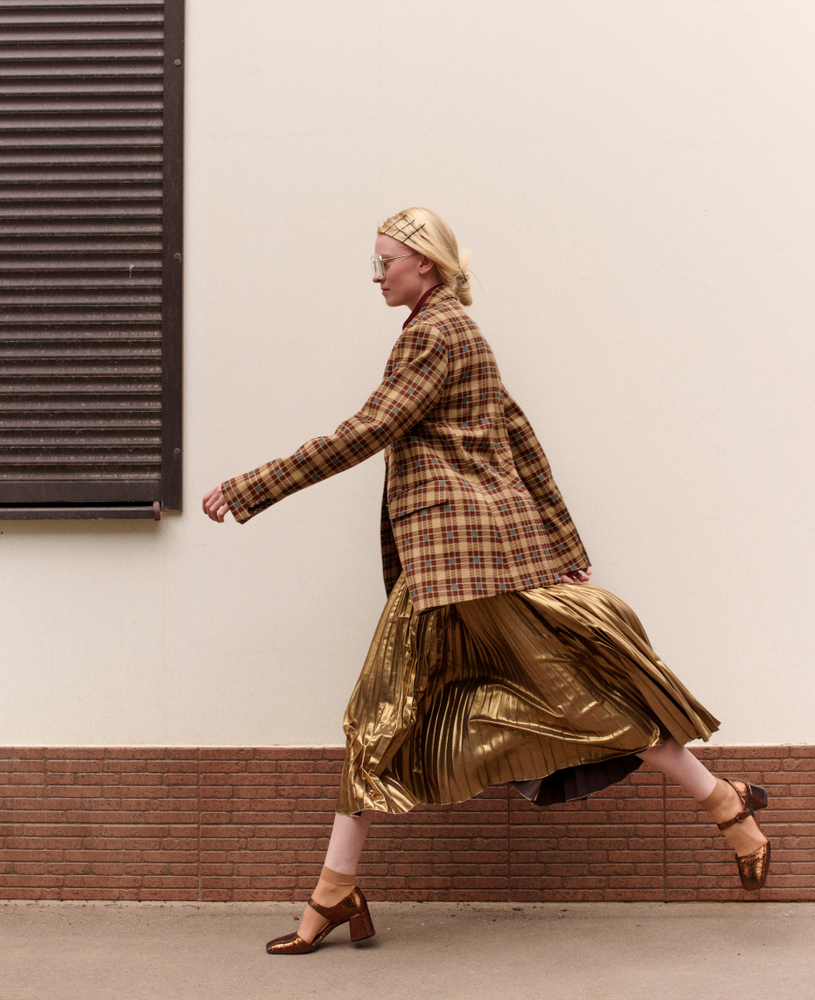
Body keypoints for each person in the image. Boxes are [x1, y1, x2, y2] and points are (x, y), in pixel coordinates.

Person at [203, 207, 770, 955]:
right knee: (533, 702)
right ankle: (335, 892)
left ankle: (335, 895)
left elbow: (368, 430)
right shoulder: (454, 333)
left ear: (425, 267)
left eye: (385, 262)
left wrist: (253, 487)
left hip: (455, 559)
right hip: (466, 559)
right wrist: (563, 542)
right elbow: (519, 437)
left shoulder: (435, 336)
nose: (376, 276)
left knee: (389, 717)